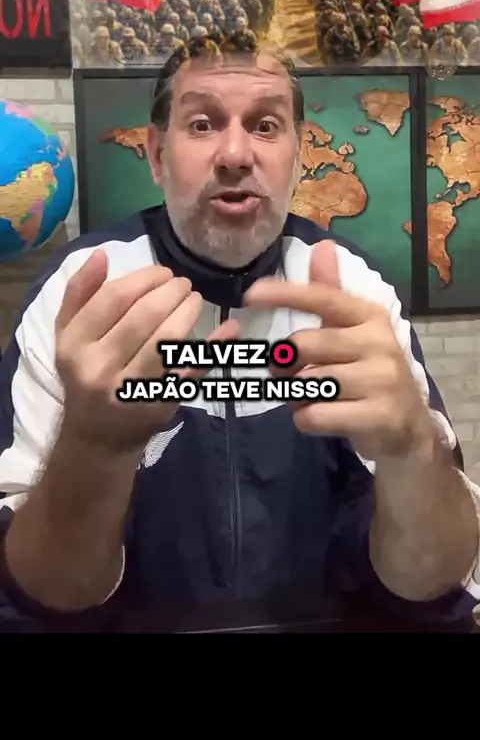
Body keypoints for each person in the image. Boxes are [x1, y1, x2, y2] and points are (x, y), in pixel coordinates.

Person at [0, 36, 479, 633]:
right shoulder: (84, 292)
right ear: (157, 155)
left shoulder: (351, 288)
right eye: (202, 124)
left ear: (299, 156)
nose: (234, 154)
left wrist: (411, 449)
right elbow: (44, 592)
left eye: (265, 125)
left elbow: (434, 579)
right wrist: (92, 446)